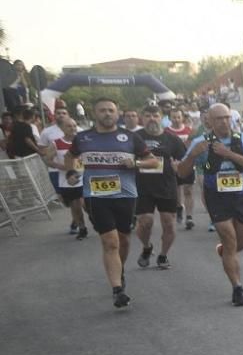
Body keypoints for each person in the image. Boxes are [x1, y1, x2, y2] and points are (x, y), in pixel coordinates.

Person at [63, 98, 157, 308]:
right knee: (110, 242)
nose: (107, 114)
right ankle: (117, 289)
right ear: (94, 113)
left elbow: (153, 161)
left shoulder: (130, 138)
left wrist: (136, 162)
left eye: (111, 110)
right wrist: (70, 172)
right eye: (103, 110)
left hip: (125, 196)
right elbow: (70, 156)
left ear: (118, 114)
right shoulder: (83, 138)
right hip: (95, 196)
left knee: (123, 239)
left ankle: (119, 270)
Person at [176, 103, 243, 306]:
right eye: (218, 119)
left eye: (226, 117)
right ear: (210, 121)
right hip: (216, 197)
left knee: (241, 243)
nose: (224, 122)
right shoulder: (200, 141)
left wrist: (228, 153)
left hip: (240, 196)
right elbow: (181, 172)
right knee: (231, 241)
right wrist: (195, 154)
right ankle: (237, 287)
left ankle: (224, 252)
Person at [134, 105, 188, 270]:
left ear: (161, 118)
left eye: (155, 115)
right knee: (145, 222)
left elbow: (184, 162)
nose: (151, 118)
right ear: (142, 118)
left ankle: (163, 255)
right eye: (148, 115)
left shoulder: (172, 139)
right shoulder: (135, 138)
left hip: (166, 186)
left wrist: (179, 166)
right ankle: (146, 247)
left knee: (169, 224)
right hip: (142, 187)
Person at [44, 118, 87, 239]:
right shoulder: (56, 143)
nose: (72, 128)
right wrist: (63, 167)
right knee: (76, 206)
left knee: (86, 206)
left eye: (74, 126)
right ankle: (82, 228)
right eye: (69, 126)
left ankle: (80, 223)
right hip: (68, 180)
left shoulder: (83, 142)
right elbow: (48, 160)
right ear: (62, 129)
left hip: (85, 177)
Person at [166, 108, 195, 230]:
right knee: (176, 191)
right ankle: (179, 207)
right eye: (174, 117)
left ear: (182, 117)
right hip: (174, 166)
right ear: (169, 118)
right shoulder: (166, 132)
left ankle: (189, 217)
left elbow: (194, 146)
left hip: (187, 164)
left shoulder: (189, 130)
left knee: (188, 190)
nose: (176, 119)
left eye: (178, 117)